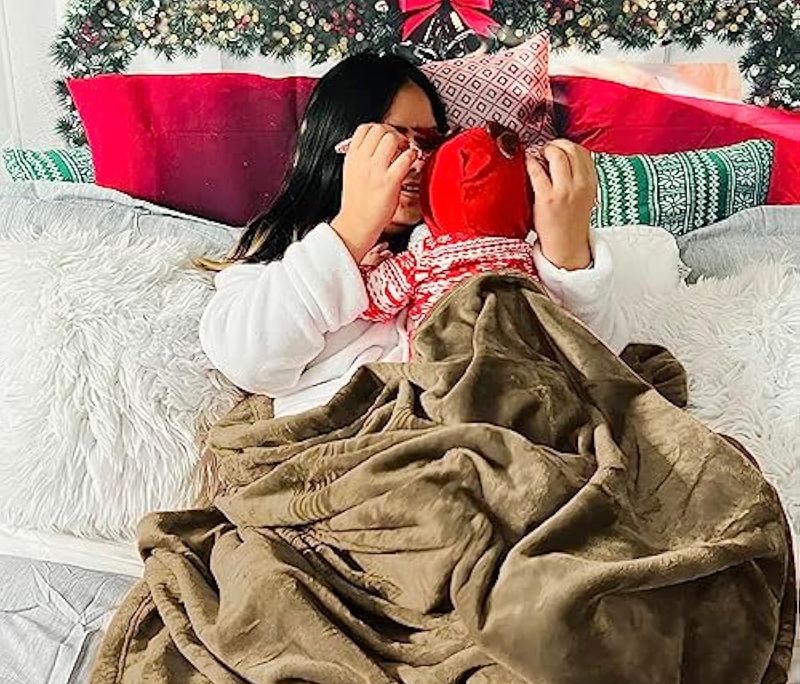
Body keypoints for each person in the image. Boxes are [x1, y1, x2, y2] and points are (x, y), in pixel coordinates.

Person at [199, 51, 675, 417]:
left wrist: (567, 254)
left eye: (430, 142)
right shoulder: (285, 261)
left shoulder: (482, 250)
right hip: (359, 457)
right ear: (336, 147)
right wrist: (351, 230)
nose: (415, 160)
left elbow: (596, 359)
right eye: (389, 139)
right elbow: (249, 361)